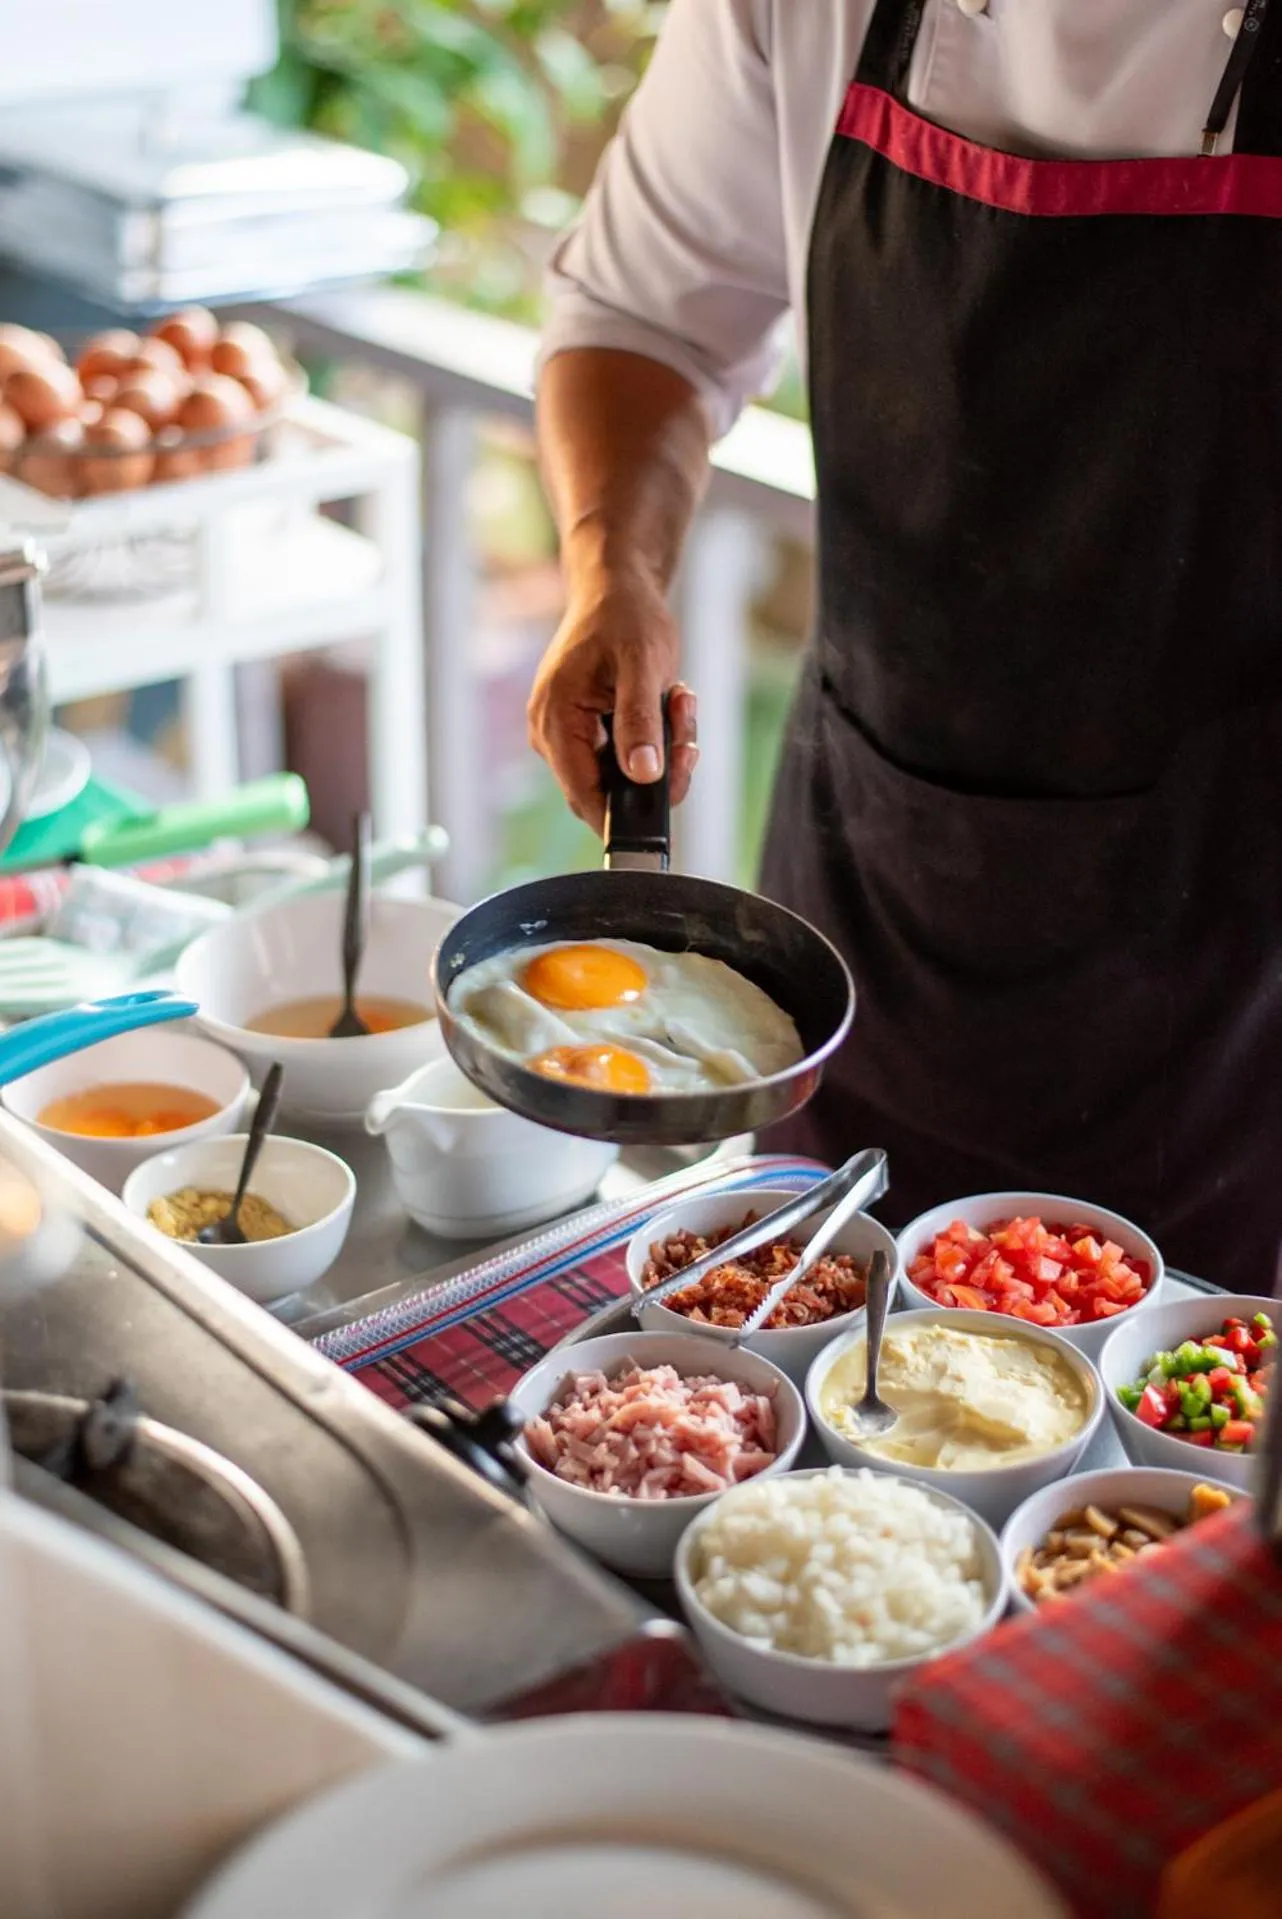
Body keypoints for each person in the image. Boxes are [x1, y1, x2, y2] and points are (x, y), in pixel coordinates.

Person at [529, 0, 1282, 1296]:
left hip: (1233, 966)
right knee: (818, 1373)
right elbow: (645, 314)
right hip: (876, 882)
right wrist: (616, 571)